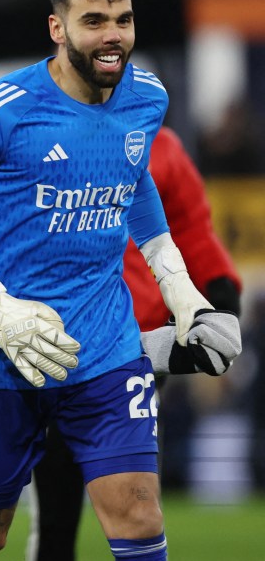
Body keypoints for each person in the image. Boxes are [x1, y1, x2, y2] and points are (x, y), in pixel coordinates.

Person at [0, 0, 241, 560]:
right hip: (3, 353)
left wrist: (178, 284)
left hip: (107, 348)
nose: (113, 35)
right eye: (93, 20)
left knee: (138, 513)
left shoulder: (147, 97)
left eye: (123, 19)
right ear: (58, 29)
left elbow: (133, 177)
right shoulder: (0, 109)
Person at [27, 125, 243, 561]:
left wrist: (220, 302)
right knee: (55, 508)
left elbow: (194, 231)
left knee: (137, 509)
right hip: (56, 345)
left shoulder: (159, 146)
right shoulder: (32, 135)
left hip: (138, 350)